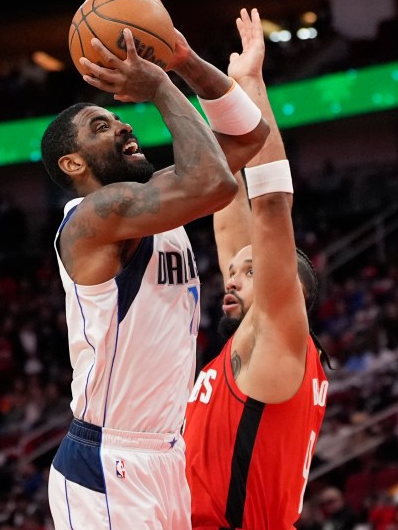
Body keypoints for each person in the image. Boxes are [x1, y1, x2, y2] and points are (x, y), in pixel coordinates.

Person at [41, 26, 269, 529]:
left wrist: (186, 59)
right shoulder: (93, 219)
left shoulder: (160, 198)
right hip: (106, 460)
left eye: (117, 115)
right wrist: (162, 86)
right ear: (73, 162)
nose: (122, 124)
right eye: (101, 126)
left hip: (167, 455)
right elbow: (212, 181)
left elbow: (250, 136)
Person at [180, 9, 329, 529]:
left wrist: (249, 89)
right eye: (235, 270)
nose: (231, 275)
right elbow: (228, 213)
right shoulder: (254, 340)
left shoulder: (281, 340)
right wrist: (220, 106)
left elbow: (269, 206)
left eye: (249, 270)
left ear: (285, 289)